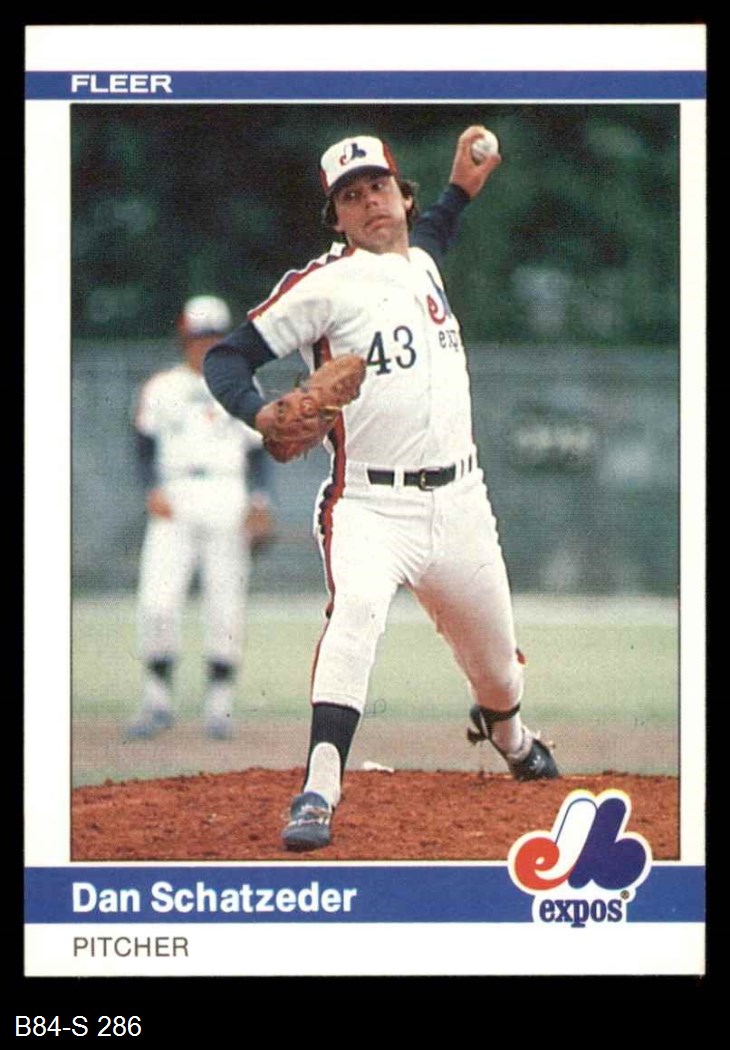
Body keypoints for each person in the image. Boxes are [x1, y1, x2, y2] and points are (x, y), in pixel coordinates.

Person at [204, 127, 558, 850]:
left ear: (403, 195)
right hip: (369, 505)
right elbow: (226, 357)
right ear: (335, 217)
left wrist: (463, 187)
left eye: (378, 187)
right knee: (355, 617)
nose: (369, 203)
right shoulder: (325, 286)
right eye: (350, 197)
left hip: (461, 504)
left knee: (498, 673)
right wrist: (258, 412)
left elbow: (435, 231)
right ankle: (319, 788)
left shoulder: (421, 261)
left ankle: (513, 739)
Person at [128, 294, 275, 741]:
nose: (204, 344)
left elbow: (258, 451)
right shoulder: (162, 387)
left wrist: (260, 501)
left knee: (225, 601)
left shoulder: (241, 383)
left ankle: (220, 704)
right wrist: (151, 490)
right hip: (175, 492)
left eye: (212, 336)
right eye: (198, 336)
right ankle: (157, 699)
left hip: (227, 492)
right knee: (157, 599)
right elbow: (142, 445)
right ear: (184, 338)